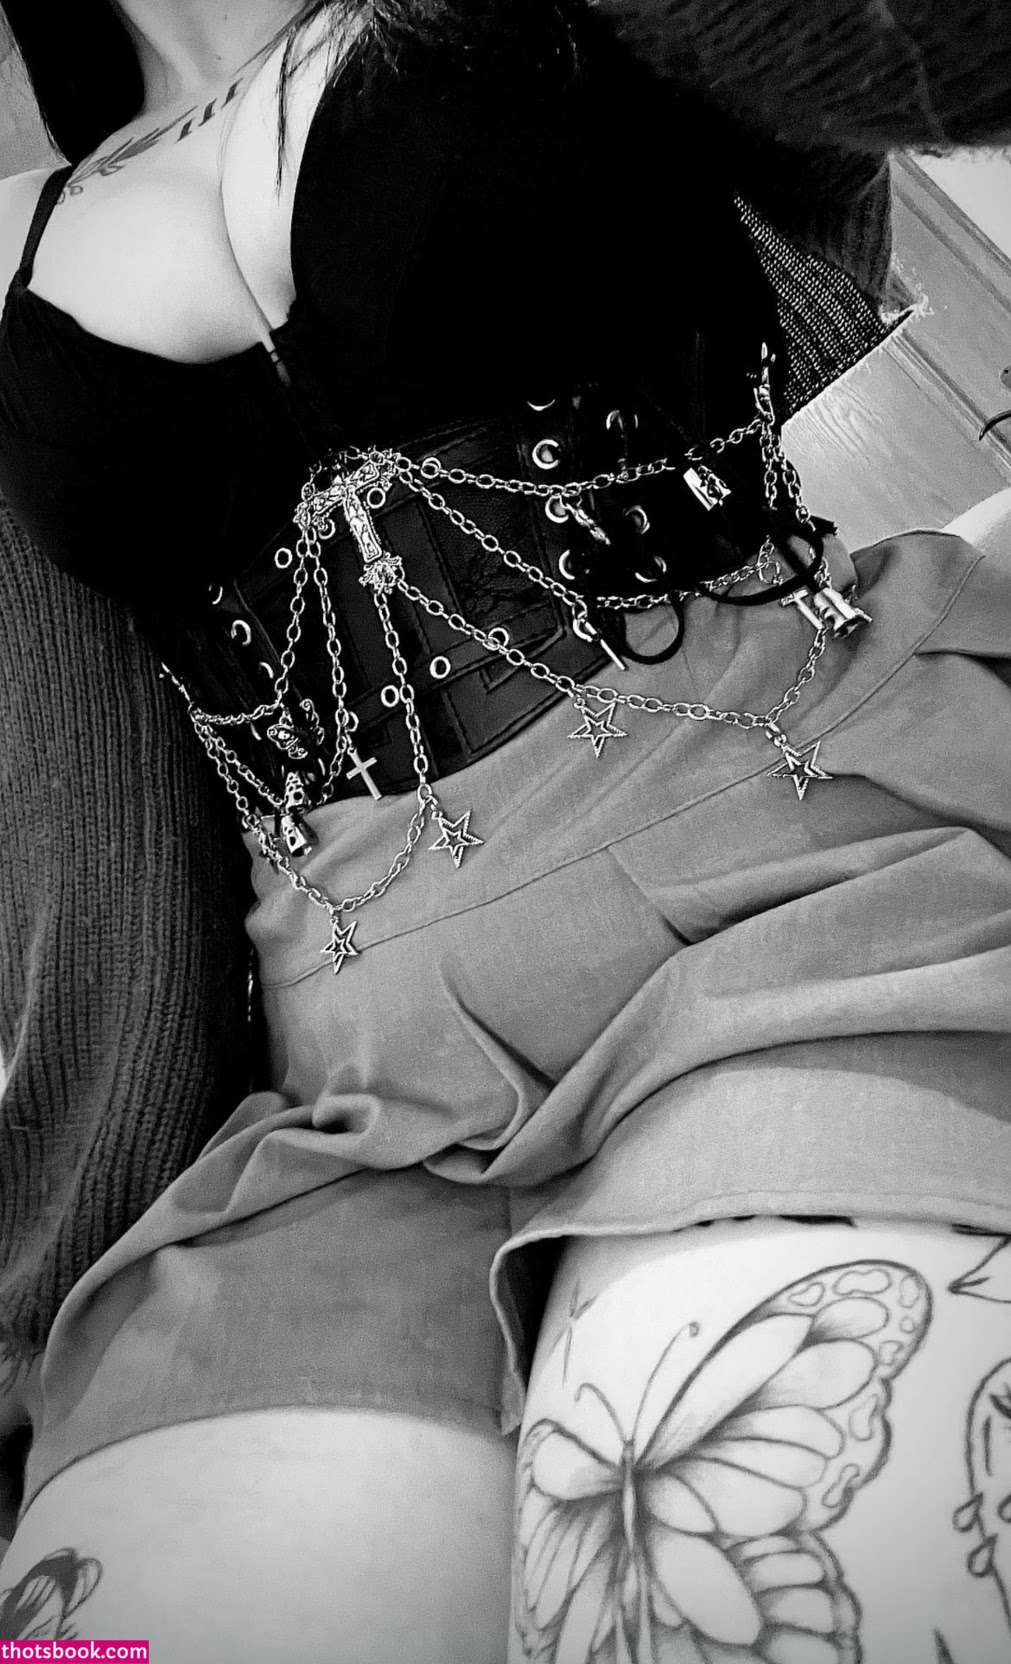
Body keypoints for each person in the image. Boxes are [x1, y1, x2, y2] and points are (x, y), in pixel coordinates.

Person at [0, 1, 1009, 1659]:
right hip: (365, 1100)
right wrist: (35, 1300)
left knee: (708, 1578)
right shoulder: (15, 243)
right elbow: (99, 846)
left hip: (800, 889)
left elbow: (916, 56)